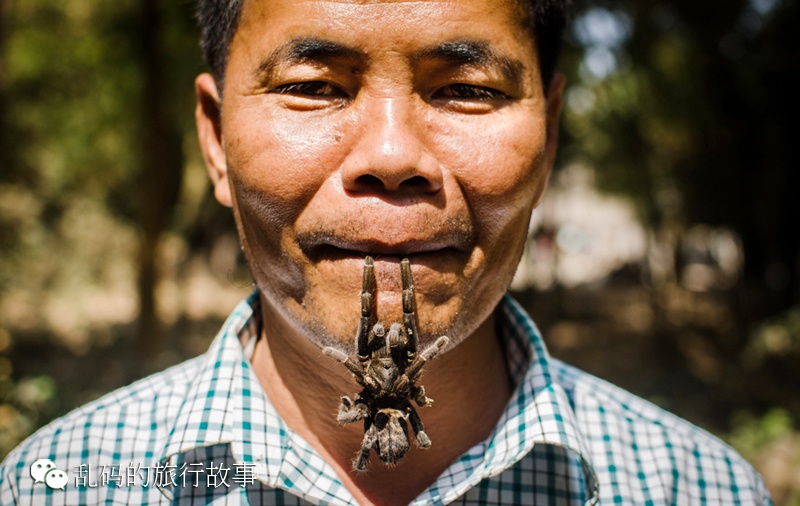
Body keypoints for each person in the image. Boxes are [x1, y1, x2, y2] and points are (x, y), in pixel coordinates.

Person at [0, 0, 773, 504]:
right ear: (214, 140)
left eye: (466, 89)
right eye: (314, 85)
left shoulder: (694, 487)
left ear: (552, 135)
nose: (393, 155)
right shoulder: (60, 483)